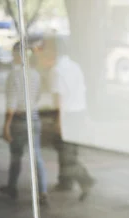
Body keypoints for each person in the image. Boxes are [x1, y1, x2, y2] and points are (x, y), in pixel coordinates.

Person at [41, 36, 95, 201]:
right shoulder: (75, 66)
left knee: (66, 154)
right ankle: (65, 182)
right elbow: (82, 92)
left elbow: (59, 98)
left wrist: (58, 121)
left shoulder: (57, 70)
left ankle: (86, 180)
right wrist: (85, 116)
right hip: (78, 113)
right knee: (69, 150)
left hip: (66, 115)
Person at [0, 41, 48, 205]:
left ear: (18, 55)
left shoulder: (14, 75)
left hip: (19, 120)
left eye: (14, 53)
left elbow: (11, 103)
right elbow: (39, 96)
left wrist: (6, 125)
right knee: (37, 156)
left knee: (16, 156)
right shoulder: (35, 74)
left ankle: (12, 186)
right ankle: (42, 191)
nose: (12, 56)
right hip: (34, 118)